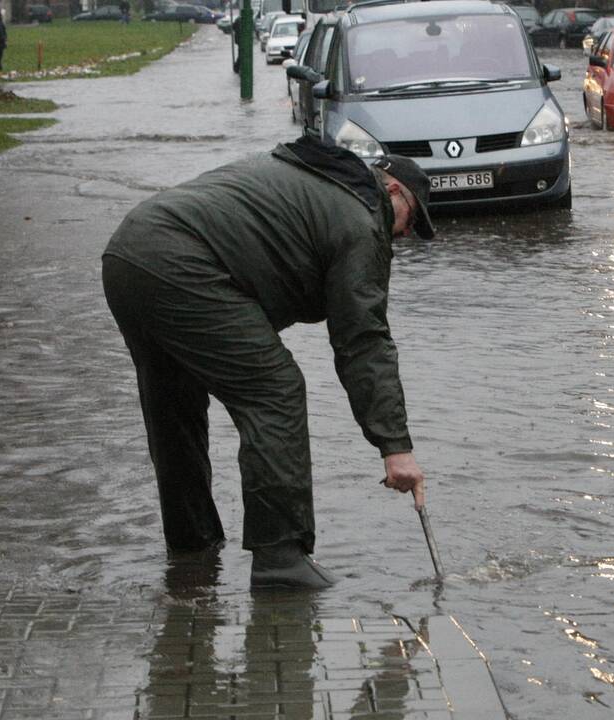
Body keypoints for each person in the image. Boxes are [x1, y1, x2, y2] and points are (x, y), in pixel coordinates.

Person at [101, 135, 434, 590]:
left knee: (174, 401)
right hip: (183, 262)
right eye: (411, 219)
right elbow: (364, 341)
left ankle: (192, 549)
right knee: (276, 392)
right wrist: (396, 447)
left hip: (129, 252)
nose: (405, 234)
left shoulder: (312, 181)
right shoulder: (361, 219)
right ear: (392, 190)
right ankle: (280, 559)